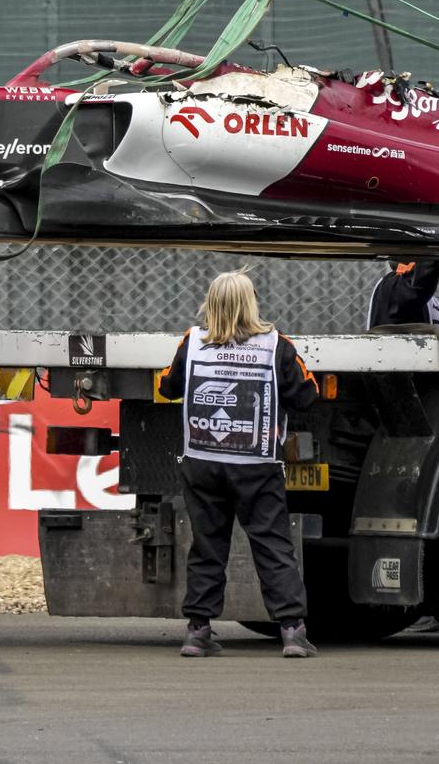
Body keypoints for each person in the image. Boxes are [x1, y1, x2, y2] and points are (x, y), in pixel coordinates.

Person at [157, 270, 319, 658]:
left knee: (207, 546)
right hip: (256, 464)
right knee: (272, 545)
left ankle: (198, 632)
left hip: (203, 462)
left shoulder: (192, 342)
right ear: (252, 303)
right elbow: (307, 394)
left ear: (210, 305)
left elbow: (167, 385)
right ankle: (292, 632)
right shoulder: (276, 345)